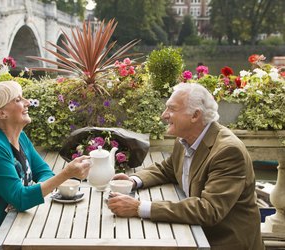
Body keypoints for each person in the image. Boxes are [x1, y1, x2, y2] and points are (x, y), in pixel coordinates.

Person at [107, 82, 264, 250]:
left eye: (171, 109)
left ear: (195, 115)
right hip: (193, 234)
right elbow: (168, 168)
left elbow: (209, 210)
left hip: (222, 242)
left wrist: (139, 207)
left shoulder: (228, 152)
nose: (164, 115)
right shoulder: (185, 138)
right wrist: (133, 181)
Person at [0, 81, 91, 249]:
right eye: (18, 99)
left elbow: (43, 172)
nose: (27, 102)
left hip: (5, 228)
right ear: (1, 112)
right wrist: (66, 174)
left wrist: (38, 189)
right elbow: (20, 199)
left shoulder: (20, 137)